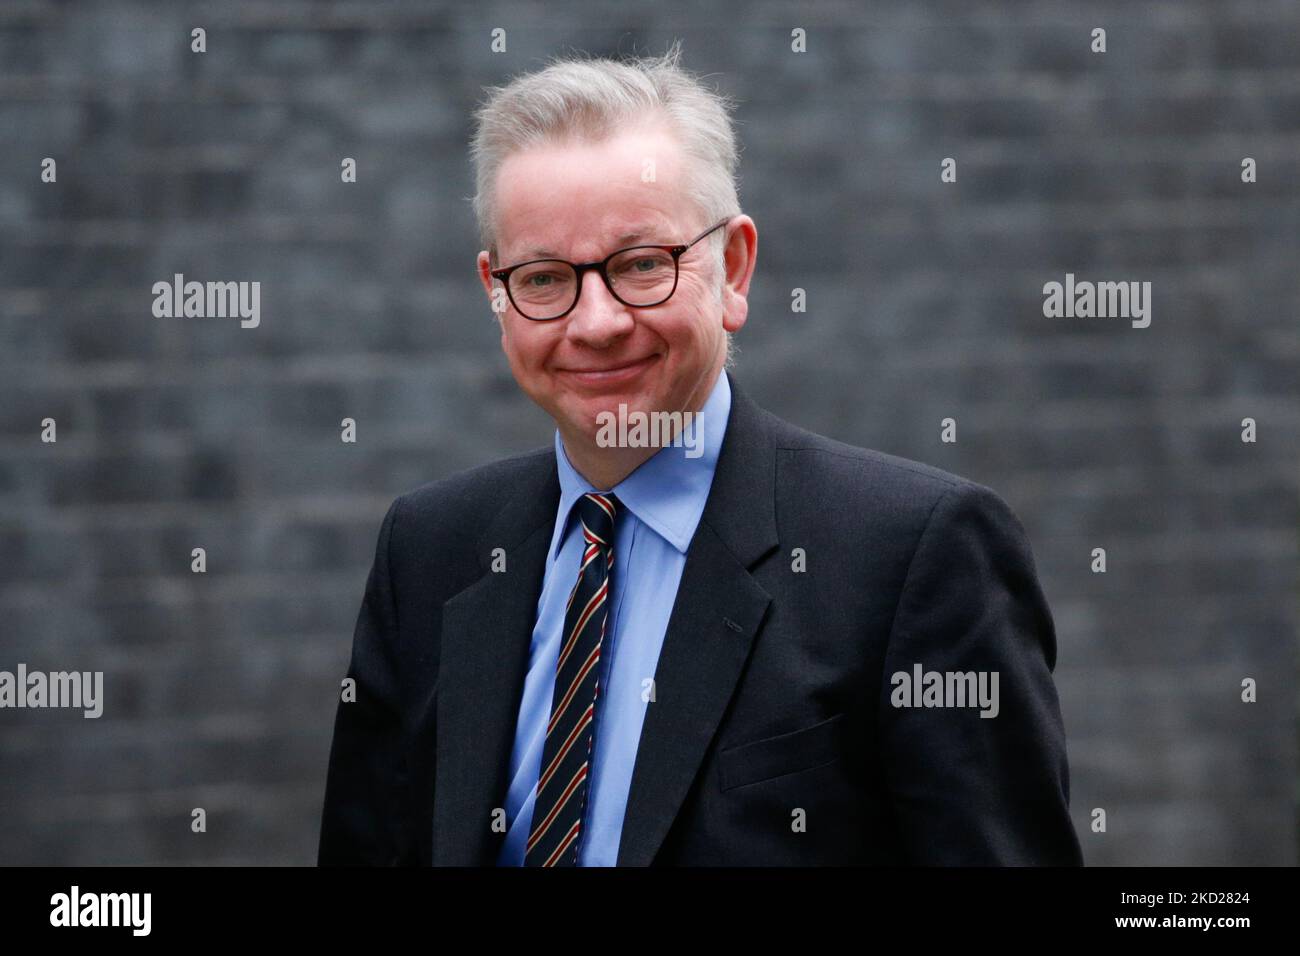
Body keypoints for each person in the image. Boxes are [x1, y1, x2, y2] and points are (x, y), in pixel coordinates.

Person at [318, 42, 1083, 867]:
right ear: (495, 294)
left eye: (642, 265)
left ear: (735, 268)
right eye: (543, 278)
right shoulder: (428, 550)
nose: (597, 321)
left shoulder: (915, 556)